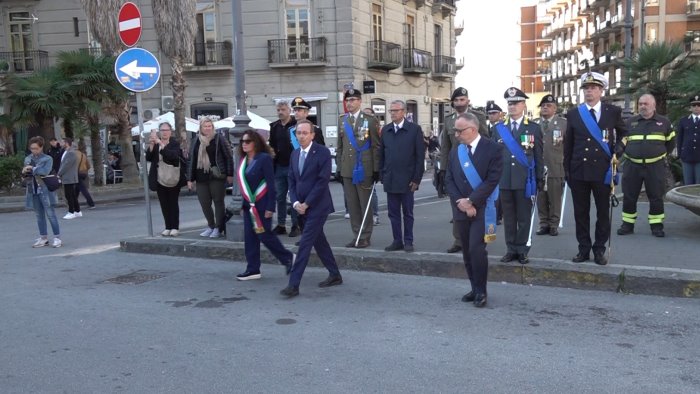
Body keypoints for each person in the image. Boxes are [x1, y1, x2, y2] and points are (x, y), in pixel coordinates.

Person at [563, 72, 627, 266]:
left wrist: (619, 150)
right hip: (579, 171)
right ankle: (583, 248)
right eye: (586, 88)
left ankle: (599, 249)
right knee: (580, 213)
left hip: (603, 170)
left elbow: (625, 133)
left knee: (602, 212)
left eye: (593, 88)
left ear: (601, 90)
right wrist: (568, 171)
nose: (589, 91)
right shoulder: (574, 113)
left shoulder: (612, 111)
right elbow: (569, 145)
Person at [445, 113, 503, 308]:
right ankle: (474, 287)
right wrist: (461, 202)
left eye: (459, 131)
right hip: (460, 208)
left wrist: (471, 201)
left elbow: (492, 180)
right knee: (467, 253)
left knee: (477, 250)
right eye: (455, 130)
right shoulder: (456, 151)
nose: (456, 135)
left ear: (473, 130)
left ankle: (482, 290)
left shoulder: (493, 149)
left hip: (483, 208)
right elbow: (449, 179)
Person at [280, 120, 342, 298]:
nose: (301, 136)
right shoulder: (295, 154)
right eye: (298, 133)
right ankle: (335, 274)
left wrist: (307, 203)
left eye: (305, 133)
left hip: (318, 206)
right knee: (319, 242)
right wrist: (295, 203)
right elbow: (291, 181)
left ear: (312, 135)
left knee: (305, 244)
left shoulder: (322, 153)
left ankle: (293, 284)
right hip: (300, 207)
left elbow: (322, 181)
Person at [491, 87, 544, 265]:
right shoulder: (499, 129)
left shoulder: (534, 128)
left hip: (525, 181)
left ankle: (522, 249)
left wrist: (538, 180)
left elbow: (538, 155)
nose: (512, 106)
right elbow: (494, 157)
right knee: (509, 218)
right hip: (505, 179)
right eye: (509, 103)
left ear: (523, 104)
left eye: (516, 103)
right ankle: (510, 249)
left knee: (524, 217)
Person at [236, 129, 295, 281]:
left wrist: (270, 207)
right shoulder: (243, 161)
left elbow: (271, 184)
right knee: (250, 238)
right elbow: (245, 187)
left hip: (262, 205)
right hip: (249, 206)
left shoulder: (264, 158)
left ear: (255, 143)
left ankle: (288, 258)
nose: (244, 144)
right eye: (242, 141)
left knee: (264, 235)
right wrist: (243, 206)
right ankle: (253, 269)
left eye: (247, 141)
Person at [617, 94, 675, 238]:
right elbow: (622, 142)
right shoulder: (630, 122)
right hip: (632, 166)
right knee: (629, 196)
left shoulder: (664, 122)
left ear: (653, 106)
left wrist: (657, 156)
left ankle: (656, 226)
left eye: (646, 104)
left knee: (656, 197)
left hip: (655, 166)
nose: (642, 106)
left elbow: (671, 143)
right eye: (641, 103)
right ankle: (627, 225)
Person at [440, 87, 489, 253]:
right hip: (456, 168)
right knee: (457, 205)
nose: (459, 103)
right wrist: (443, 169)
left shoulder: (479, 117)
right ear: (452, 103)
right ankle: (459, 241)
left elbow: (486, 141)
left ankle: (478, 239)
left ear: (468, 100)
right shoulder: (448, 120)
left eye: (462, 99)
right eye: (456, 100)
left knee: (477, 203)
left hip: (475, 168)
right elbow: (445, 147)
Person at [336, 88, 381, 248]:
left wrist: (376, 169)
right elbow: (340, 147)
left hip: (364, 168)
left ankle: (366, 236)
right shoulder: (342, 120)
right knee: (353, 205)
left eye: (353, 100)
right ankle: (357, 234)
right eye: (347, 100)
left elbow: (376, 146)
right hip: (348, 169)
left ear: (360, 101)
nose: (350, 103)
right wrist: (339, 168)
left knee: (364, 204)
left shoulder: (369, 120)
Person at [380, 100, 425, 252]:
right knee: (393, 214)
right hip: (391, 178)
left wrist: (416, 179)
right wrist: (382, 174)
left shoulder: (414, 129)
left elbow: (420, 157)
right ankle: (397, 240)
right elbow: (382, 155)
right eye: (391, 111)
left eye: (396, 110)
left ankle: (408, 241)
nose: (393, 113)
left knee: (408, 213)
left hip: (407, 180)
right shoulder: (386, 130)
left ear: (404, 111)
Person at [187, 116, 234, 238]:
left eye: (209, 126)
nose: (207, 128)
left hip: (216, 176)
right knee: (204, 203)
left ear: (212, 127)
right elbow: (191, 160)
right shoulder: (196, 141)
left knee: (218, 202)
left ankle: (219, 227)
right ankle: (211, 225)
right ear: (201, 128)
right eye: (205, 126)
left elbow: (228, 157)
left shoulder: (219, 139)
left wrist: (230, 174)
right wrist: (189, 179)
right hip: (200, 176)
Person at [146, 122, 186, 237]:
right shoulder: (156, 144)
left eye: (166, 130)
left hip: (172, 177)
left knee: (173, 203)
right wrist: (152, 144)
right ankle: (167, 226)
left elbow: (172, 156)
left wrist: (161, 145)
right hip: (159, 178)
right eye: (162, 130)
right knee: (164, 204)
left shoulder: (174, 143)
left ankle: (175, 227)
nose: (164, 132)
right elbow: (149, 157)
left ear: (170, 131)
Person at [535, 94, 567, 236]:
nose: (545, 108)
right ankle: (543, 224)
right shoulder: (534, 125)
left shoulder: (563, 124)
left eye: (549, 106)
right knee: (541, 198)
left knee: (554, 198)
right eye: (543, 106)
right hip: (539, 167)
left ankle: (554, 224)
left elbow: (568, 145)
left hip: (556, 166)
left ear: (555, 108)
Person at [23, 137, 62, 248]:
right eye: (31, 148)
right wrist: (24, 171)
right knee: (39, 215)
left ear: (41, 147)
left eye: (36, 148)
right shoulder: (27, 158)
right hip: (33, 190)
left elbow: (45, 171)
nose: (33, 150)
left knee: (51, 214)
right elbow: (26, 174)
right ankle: (43, 238)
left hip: (45, 190)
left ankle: (57, 238)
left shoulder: (47, 158)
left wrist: (32, 168)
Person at [268, 100, 299, 236]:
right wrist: (271, 153)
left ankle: (295, 225)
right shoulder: (274, 126)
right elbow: (272, 145)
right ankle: (281, 224)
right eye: (278, 110)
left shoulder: (296, 125)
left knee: (294, 197)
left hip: (294, 166)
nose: (280, 112)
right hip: (279, 166)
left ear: (289, 110)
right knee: (280, 197)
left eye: (283, 110)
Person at [486, 102, 504, 225]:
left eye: (494, 113)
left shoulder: (504, 128)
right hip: (487, 163)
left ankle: (498, 215)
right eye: (489, 113)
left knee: (499, 192)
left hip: (500, 163)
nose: (491, 116)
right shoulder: (485, 128)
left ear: (500, 114)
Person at [676, 94, 700, 185]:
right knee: (688, 184)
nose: (696, 107)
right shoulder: (683, 121)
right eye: (694, 105)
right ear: (690, 107)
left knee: (698, 185)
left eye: (699, 105)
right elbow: (680, 139)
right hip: (686, 157)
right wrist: (680, 155)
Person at [363, 106, 381, 224]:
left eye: (369, 114)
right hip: (360, 163)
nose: (366, 116)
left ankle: (374, 214)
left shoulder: (376, 128)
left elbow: (376, 147)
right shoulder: (362, 128)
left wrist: (376, 168)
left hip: (370, 163)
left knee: (371, 191)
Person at [57, 138, 82, 219]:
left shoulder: (71, 153)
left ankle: (71, 211)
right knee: (72, 194)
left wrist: (59, 174)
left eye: (62, 142)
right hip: (68, 176)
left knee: (69, 195)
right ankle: (77, 211)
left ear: (67, 143)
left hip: (69, 176)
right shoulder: (66, 151)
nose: (60, 143)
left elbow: (66, 165)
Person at [75, 142, 95, 209]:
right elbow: (88, 165)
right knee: (77, 189)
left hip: (76, 173)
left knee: (83, 189)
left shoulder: (73, 155)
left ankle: (91, 203)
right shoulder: (83, 155)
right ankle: (74, 203)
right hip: (83, 173)